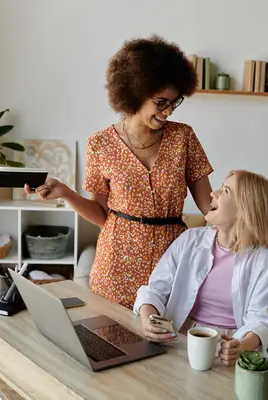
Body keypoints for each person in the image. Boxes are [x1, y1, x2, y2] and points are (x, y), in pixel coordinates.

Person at [25, 35, 215, 308]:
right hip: (116, 263)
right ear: (135, 92)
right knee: (113, 342)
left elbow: (210, 207)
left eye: (175, 102)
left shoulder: (183, 137)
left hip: (172, 260)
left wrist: (253, 234)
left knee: (170, 342)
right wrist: (65, 193)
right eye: (161, 102)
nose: (169, 111)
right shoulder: (100, 144)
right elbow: (102, 214)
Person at [133, 170, 268, 366]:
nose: (213, 193)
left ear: (244, 209)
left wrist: (241, 346)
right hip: (177, 338)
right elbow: (154, 291)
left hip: (228, 347)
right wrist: (149, 320)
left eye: (226, 191)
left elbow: (264, 320)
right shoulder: (189, 240)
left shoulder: (263, 260)